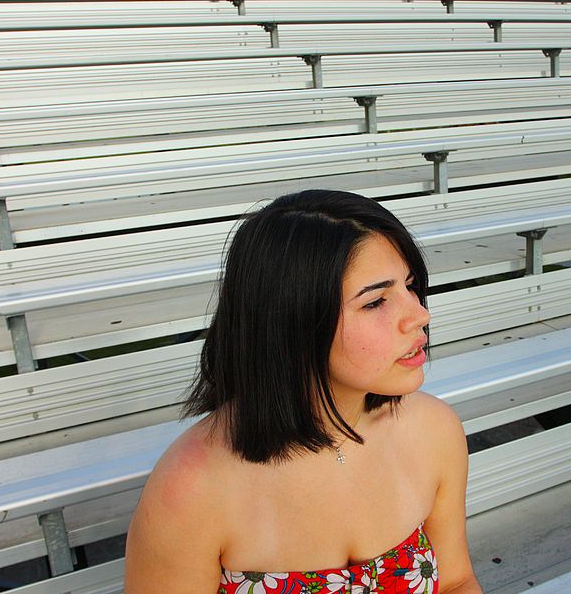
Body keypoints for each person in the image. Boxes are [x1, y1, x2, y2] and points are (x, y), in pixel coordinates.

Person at [124, 189, 482, 593]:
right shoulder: (192, 488)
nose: (419, 314)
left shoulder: (434, 430)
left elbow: (455, 581)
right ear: (293, 321)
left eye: (411, 286)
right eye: (376, 301)